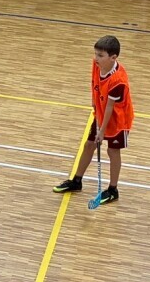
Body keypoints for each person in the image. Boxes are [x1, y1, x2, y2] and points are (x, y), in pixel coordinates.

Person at [53, 35, 132, 204]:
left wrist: (102, 132)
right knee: (89, 145)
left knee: (112, 151)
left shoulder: (118, 81)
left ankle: (113, 190)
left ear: (113, 57)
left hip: (118, 120)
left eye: (100, 55)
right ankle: (76, 181)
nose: (96, 58)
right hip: (102, 112)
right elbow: (94, 81)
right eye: (95, 54)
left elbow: (110, 107)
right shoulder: (97, 64)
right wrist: (94, 101)